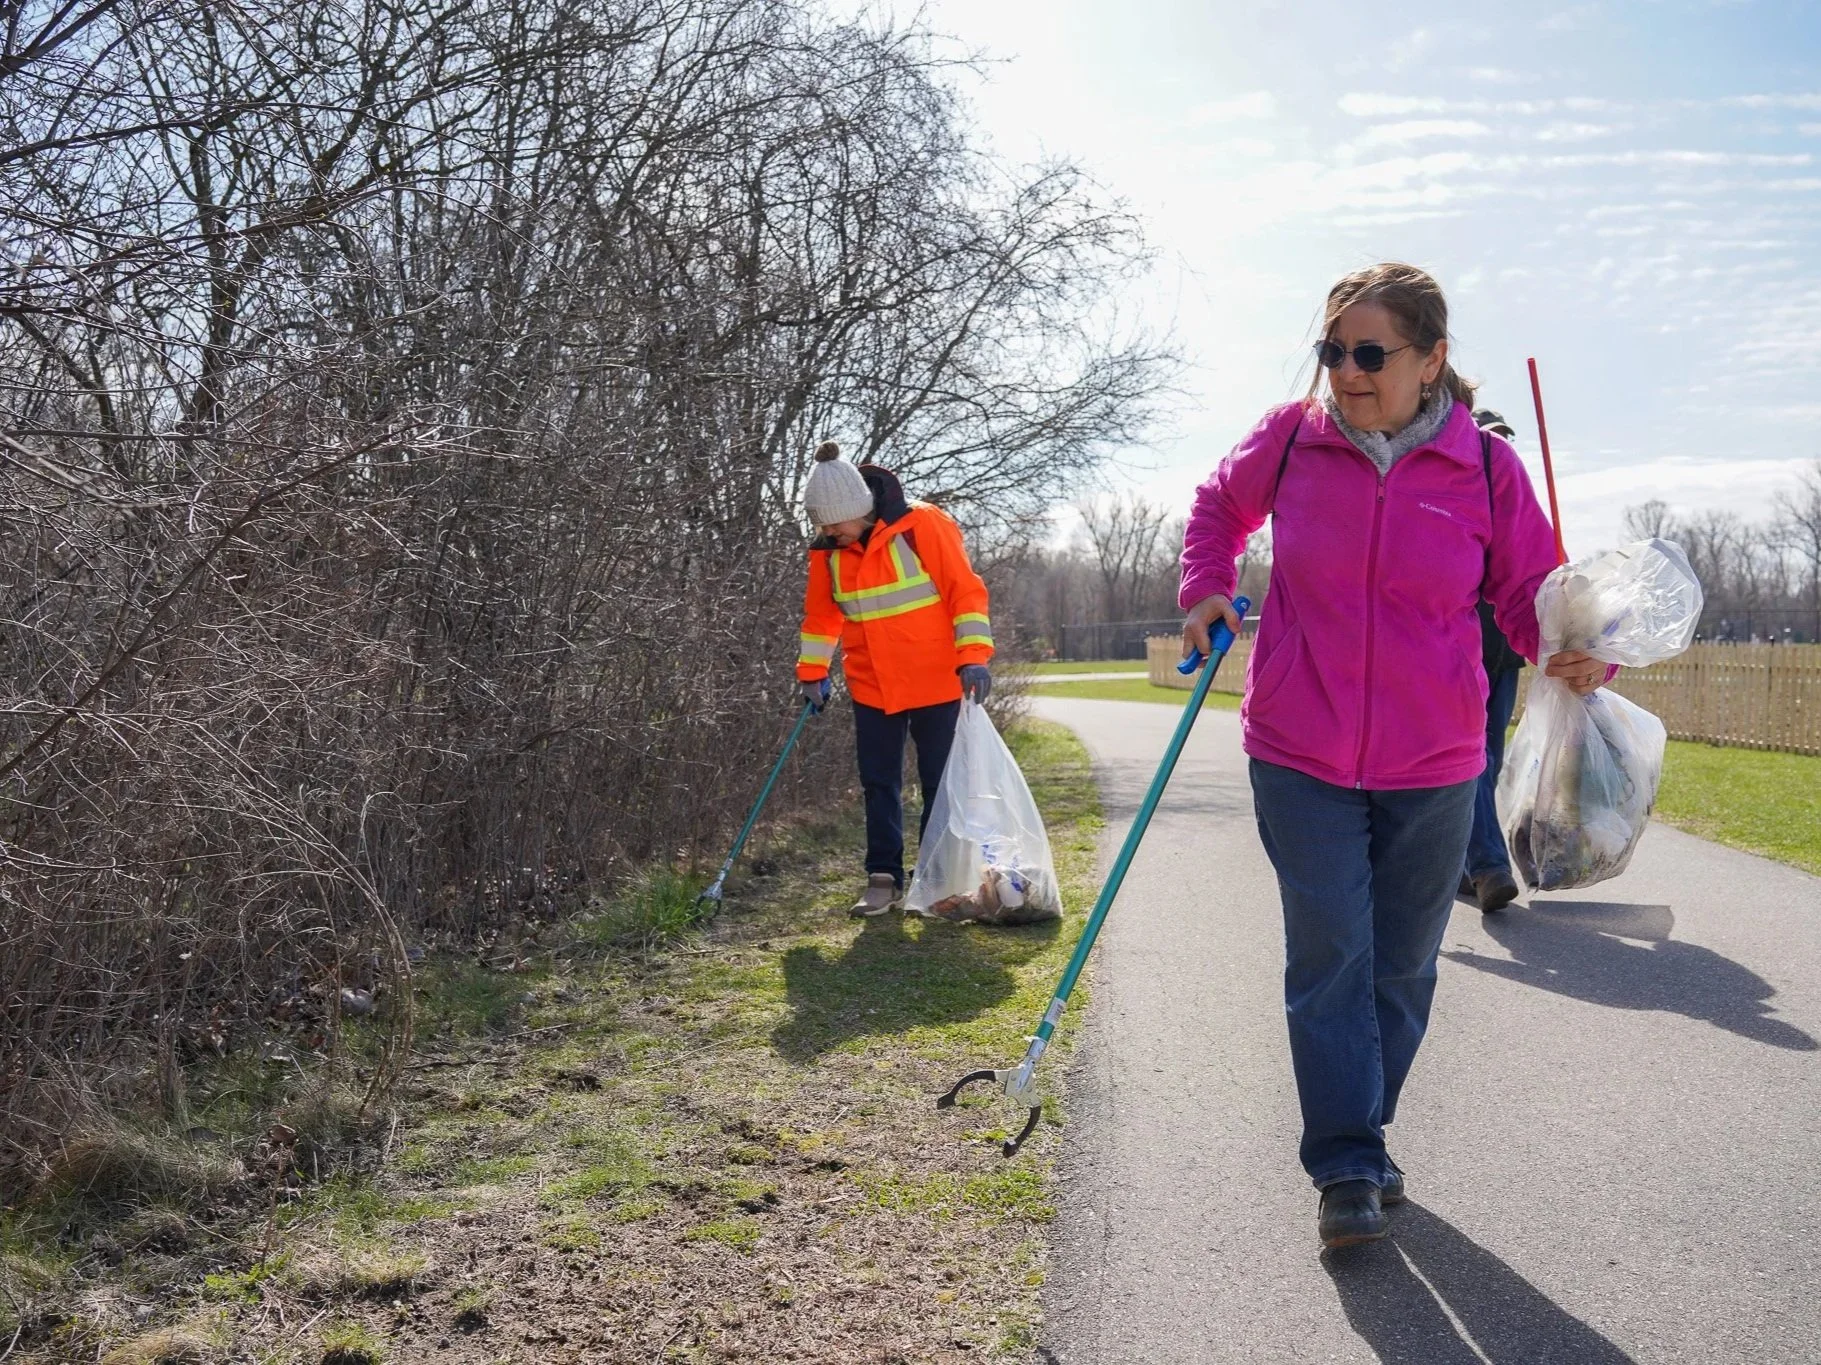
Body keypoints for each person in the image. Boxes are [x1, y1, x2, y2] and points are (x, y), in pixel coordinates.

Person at [1177, 263, 1610, 1249]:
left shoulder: (1486, 471)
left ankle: (1363, 1130)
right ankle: (1346, 1162)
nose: (1348, 372)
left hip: (1436, 760)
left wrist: (1571, 649)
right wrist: (1205, 586)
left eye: (1372, 353)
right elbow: (1216, 509)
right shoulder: (1292, 438)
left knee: (1405, 967)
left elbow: (1530, 595)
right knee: (1331, 953)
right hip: (1300, 748)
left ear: (1432, 361)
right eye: (1335, 351)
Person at [796, 440, 994, 917]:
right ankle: (882, 879)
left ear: (858, 509)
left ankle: (935, 880)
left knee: (938, 783)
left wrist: (974, 656)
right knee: (878, 782)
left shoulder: (923, 524)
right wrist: (811, 673)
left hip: (936, 680)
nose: (828, 532)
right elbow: (822, 618)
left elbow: (964, 592)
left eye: (833, 523)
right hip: (872, 685)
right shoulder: (828, 552)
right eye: (821, 524)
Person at [1458, 408, 1526, 914]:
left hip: (1505, 657)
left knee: (1490, 761)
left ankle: (1460, 864)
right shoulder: (1459, 496)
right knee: (1475, 760)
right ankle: (1487, 867)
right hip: (1465, 654)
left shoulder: (1512, 498)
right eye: (1492, 437)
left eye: (1505, 437)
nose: (1500, 445)